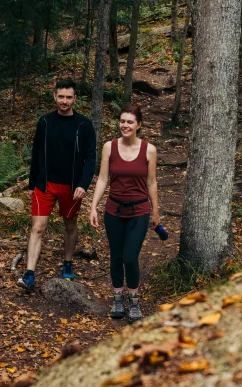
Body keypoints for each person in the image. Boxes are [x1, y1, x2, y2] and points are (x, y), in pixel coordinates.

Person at [17, 79, 97, 293]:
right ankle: (29, 274)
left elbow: (90, 159)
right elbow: (36, 153)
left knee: (70, 225)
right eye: (61, 96)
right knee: (38, 227)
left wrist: (83, 184)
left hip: (71, 187)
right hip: (45, 185)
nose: (64, 101)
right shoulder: (44, 122)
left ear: (75, 99)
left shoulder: (84, 124)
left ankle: (68, 262)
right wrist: (32, 184)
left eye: (68, 97)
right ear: (54, 97)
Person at [88, 104, 159, 323]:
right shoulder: (110, 147)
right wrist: (93, 206)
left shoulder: (149, 150)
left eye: (130, 122)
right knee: (116, 256)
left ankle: (134, 299)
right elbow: (102, 179)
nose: (125, 125)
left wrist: (156, 211)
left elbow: (151, 182)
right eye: (122, 121)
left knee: (130, 257)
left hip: (139, 210)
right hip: (114, 210)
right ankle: (118, 298)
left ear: (139, 125)